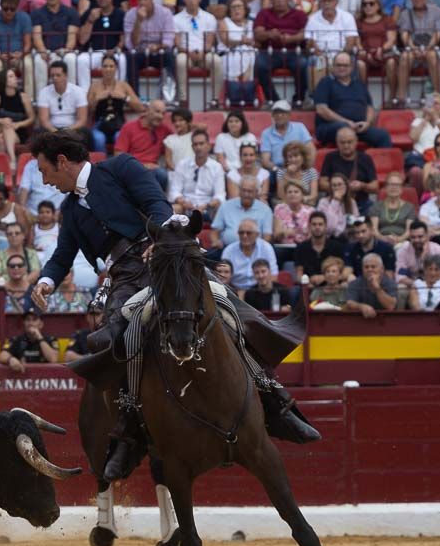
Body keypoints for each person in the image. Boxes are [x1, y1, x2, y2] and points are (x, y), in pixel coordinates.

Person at [28, 130, 318, 482]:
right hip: (123, 279)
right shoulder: (70, 209)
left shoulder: (120, 168)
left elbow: (157, 204)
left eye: (45, 170)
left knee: (232, 309)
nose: (44, 180)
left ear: (62, 161)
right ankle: (128, 429)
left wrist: (162, 239)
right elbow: (62, 255)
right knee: (111, 342)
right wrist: (45, 281)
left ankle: (276, 402)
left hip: (165, 259)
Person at [314, 52, 393, 148]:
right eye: (338, 65)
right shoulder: (325, 83)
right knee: (344, 128)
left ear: (351, 67)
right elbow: (321, 110)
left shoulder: (359, 84)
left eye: (345, 65)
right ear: (333, 67)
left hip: (358, 127)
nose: (342, 68)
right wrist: (346, 122)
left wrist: (367, 123)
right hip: (330, 127)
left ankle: (381, 163)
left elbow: (369, 107)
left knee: (382, 135)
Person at [254, 0, 309, 107]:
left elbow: (306, 33)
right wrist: (269, 34)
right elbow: (258, 34)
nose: (280, 0)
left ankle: (298, 99)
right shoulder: (264, 14)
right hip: (269, 51)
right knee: (260, 65)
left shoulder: (299, 14)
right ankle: (274, 100)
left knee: (303, 64)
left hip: (294, 51)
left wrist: (292, 39)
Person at [395, 0, 440, 102]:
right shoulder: (405, 14)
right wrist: (414, 48)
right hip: (413, 47)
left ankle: (438, 96)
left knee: (433, 56)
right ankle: (401, 96)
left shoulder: (437, 11)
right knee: (404, 57)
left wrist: (428, 48)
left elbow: (438, 33)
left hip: (431, 46)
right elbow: (404, 34)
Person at [123, 0, 176, 96]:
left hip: (159, 51)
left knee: (169, 56)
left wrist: (157, 47)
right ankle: (134, 97)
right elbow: (131, 44)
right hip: (140, 51)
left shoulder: (165, 13)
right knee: (130, 56)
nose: (142, 2)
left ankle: (169, 97)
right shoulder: (130, 15)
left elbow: (168, 41)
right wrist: (138, 21)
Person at [31, 0, 80, 93]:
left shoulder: (71, 12)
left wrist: (66, 50)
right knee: (39, 60)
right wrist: (43, 51)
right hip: (45, 52)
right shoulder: (37, 13)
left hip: (64, 51)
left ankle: (71, 95)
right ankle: (41, 98)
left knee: (71, 59)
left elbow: (72, 38)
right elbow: (37, 36)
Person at [78, 0, 129, 92]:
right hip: (93, 53)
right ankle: (86, 97)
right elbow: (82, 40)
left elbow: (123, 39)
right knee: (81, 60)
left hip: (113, 52)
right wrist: (90, 21)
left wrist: (115, 49)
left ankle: (117, 93)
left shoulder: (121, 14)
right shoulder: (89, 14)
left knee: (122, 59)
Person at [304, 0, 358, 92]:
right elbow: (310, 42)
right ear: (320, 3)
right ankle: (317, 97)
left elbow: (350, 42)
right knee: (317, 61)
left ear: (336, 2)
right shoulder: (313, 19)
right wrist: (322, 55)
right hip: (321, 55)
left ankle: (349, 94)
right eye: (324, 1)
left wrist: (339, 57)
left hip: (342, 54)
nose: (327, 3)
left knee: (349, 61)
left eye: (330, 0)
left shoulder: (347, 17)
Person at [114, 100, 172, 192]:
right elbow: (118, 155)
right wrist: (143, 165)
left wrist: (193, 126)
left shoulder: (164, 129)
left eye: (163, 113)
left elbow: (179, 137)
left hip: (154, 170)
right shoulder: (129, 127)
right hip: (133, 169)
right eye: (157, 112)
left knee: (164, 175)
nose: (160, 116)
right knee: (161, 175)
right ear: (147, 110)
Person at [320, 126, 381, 213]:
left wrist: (362, 186)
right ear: (337, 142)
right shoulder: (330, 157)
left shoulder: (366, 158)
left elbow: (375, 186)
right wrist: (338, 187)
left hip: (361, 203)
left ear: (356, 141)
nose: (346, 146)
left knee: (375, 211)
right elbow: (322, 183)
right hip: (336, 202)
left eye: (349, 142)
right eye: (342, 142)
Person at [169, 128, 226, 218]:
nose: (198, 147)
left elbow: (220, 195)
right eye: (195, 144)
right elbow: (174, 191)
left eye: (201, 144)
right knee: (173, 208)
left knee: (221, 208)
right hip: (186, 208)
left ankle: (215, 232)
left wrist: (206, 205)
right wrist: (184, 203)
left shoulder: (217, 167)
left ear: (208, 146)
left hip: (208, 209)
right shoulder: (182, 164)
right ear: (192, 147)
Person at [0, 68, 33, 173]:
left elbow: (32, 118)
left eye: (14, 76)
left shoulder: (23, 96)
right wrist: (1, 120)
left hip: (18, 132)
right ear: (4, 81)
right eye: (11, 76)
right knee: (6, 126)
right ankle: (13, 160)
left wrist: (19, 124)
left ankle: (2, 172)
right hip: (0, 128)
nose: (15, 78)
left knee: (2, 139)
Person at [0, 0, 33, 96]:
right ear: (0, 7)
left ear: (17, 7)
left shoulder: (24, 18)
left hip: (19, 56)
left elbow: (28, 44)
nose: (8, 12)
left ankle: (29, 99)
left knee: (28, 64)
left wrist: (20, 54)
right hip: (1, 57)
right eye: (5, 9)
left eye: (12, 9)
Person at [357, 0, 402, 100]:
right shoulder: (358, 22)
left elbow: (391, 39)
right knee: (359, 64)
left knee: (391, 63)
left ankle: (392, 96)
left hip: (384, 53)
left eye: (371, 3)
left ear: (378, 5)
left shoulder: (387, 19)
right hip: (366, 54)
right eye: (365, 4)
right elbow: (357, 42)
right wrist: (363, 52)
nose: (368, 6)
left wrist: (381, 49)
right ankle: (363, 97)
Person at [210, 176, 274, 248]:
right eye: (244, 190)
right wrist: (216, 241)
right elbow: (215, 231)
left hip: (255, 250)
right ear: (239, 190)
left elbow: (267, 237)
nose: (246, 194)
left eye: (250, 191)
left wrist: (260, 249)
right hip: (226, 248)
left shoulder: (265, 210)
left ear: (256, 192)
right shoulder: (225, 206)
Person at [222, 220, 279, 291]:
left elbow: (274, 275)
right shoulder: (229, 250)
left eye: (248, 233)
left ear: (257, 234)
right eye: (241, 233)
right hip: (235, 291)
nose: (244, 236)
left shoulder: (266, 248)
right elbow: (223, 275)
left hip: (259, 291)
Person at [295, 211, 348, 286]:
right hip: (309, 286)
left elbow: (343, 271)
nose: (317, 227)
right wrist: (307, 283)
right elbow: (299, 274)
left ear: (326, 226)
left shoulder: (336, 246)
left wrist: (325, 277)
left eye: (320, 224)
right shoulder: (301, 248)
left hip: (333, 285)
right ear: (309, 226)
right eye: (314, 224)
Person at [259, 101, 314, 172]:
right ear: (272, 115)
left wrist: (306, 166)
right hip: (277, 168)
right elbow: (265, 160)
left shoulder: (300, 127)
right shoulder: (266, 133)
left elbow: (311, 149)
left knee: (311, 173)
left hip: (299, 166)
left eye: (283, 112)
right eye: (276, 113)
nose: (279, 115)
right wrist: (278, 170)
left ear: (289, 115)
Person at [344, 252, 397, 316]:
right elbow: (349, 302)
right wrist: (361, 306)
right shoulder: (355, 283)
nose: (369, 269)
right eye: (366, 267)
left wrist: (377, 288)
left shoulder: (390, 283)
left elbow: (390, 306)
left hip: (386, 320)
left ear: (382, 269)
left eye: (373, 267)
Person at [394, 219, 440, 283]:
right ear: (409, 237)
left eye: (420, 237)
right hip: (412, 284)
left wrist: (424, 258)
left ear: (427, 236)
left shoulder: (437, 249)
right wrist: (417, 285)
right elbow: (400, 276)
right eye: (413, 237)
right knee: (401, 287)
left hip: (435, 284)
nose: (416, 240)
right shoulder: (403, 250)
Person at [370, 172, 418, 242]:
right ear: (385, 187)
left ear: (402, 188)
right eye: (390, 184)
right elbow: (374, 230)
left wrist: (399, 240)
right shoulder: (376, 206)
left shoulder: (409, 207)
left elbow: (409, 231)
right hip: (381, 241)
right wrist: (384, 239)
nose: (394, 187)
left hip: (403, 242)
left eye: (397, 185)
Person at [275, 140, 319, 204]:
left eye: (296, 156)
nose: (293, 160)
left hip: (305, 203)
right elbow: (280, 195)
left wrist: (300, 199)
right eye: (290, 157)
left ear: (303, 157)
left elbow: (314, 195)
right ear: (286, 159)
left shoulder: (311, 172)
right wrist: (288, 174)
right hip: (287, 204)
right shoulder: (281, 172)